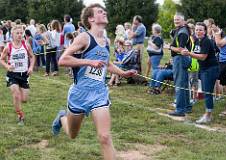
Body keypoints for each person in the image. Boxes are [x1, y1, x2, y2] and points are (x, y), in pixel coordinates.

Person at [51, 4, 136, 160]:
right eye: (99, 12)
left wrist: (123, 72)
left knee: (104, 137)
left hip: (99, 94)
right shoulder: (84, 37)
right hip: (79, 94)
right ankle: (62, 117)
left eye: (104, 11)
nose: (104, 13)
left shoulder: (105, 40)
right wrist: (89, 62)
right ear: (91, 19)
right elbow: (63, 60)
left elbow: (106, 63)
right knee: (72, 134)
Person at [181, 22, 219, 124]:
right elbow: (196, 54)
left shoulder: (206, 41)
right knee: (207, 92)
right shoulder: (197, 41)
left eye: (201, 30)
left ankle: (208, 115)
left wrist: (189, 54)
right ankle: (208, 113)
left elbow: (203, 57)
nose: (198, 31)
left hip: (210, 69)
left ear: (205, 31)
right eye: (197, 30)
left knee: (207, 92)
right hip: (203, 69)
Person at [0, 25, 35, 125]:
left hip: (24, 75)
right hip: (12, 75)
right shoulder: (8, 47)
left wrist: (31, 67)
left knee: (24, 99)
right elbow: (1, 59)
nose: (20, 35)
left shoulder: (26, 45)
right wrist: (7, 66)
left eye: (21, 33)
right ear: (12, 35)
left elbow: (32, 57)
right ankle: (20, 116)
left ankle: (19, 94)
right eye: (17, 33)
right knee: (16, 95)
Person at [164, 12, 192, 116]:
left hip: (180, 58)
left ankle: (180, 110)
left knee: (179, 84)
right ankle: (187, 107)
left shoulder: (182, 32)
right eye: (175, 19)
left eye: (178, 19)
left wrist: (169, 47)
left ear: (183, 21)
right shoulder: (180, 30)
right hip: (181, 59)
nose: (176, 21)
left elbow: (180, 50)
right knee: (184, 83)